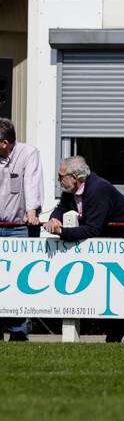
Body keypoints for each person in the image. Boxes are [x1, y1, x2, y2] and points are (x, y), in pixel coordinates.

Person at [44, 155, 124, 343]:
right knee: (110, 288)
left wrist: (62, 231)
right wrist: (54, 219)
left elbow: (93, 229)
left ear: (75, 177)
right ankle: (115, 334)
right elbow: (61, 207)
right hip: (114, 241)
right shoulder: (70, 191)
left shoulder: (98, 189)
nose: (59, 180)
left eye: (61, 176)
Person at [0, 118, 43, 341]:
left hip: (19, 228)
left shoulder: (28, 153)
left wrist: (32, 212)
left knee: (19, 282)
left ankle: (18, 332)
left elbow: (32, 184)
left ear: (4, 143)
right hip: (1, 225)